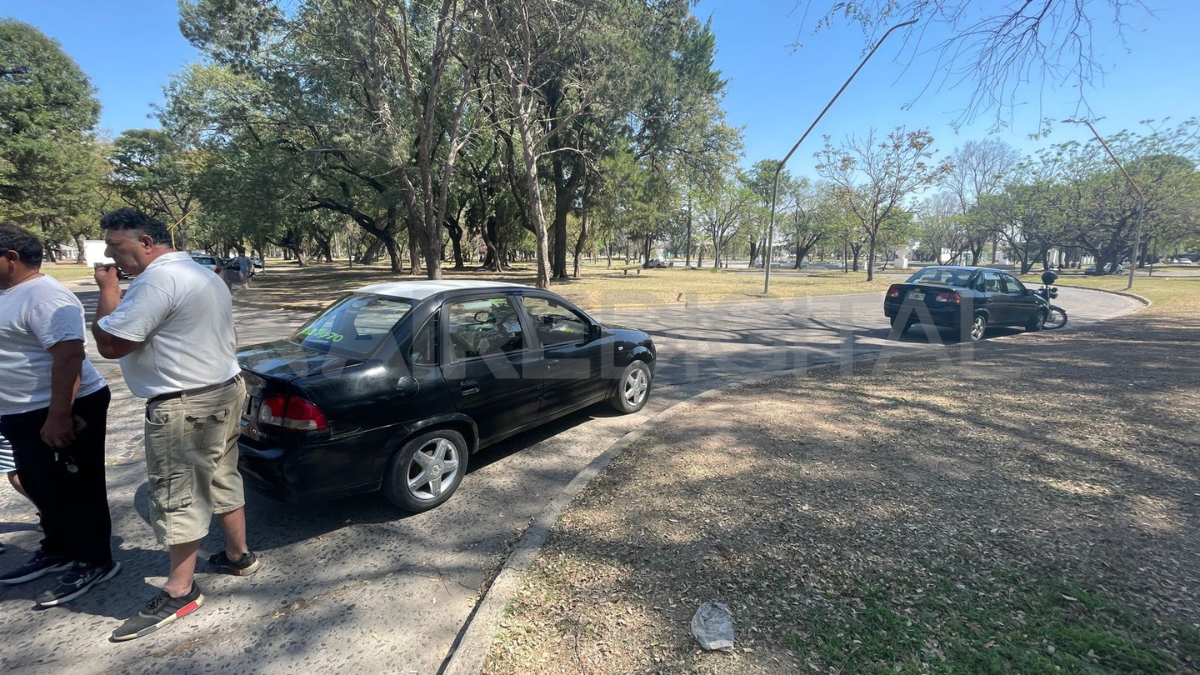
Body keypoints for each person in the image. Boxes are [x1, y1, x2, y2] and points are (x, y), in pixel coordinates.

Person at [91, 208, 260, 642]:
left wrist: (108, 289)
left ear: (146, 242)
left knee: (177, 493)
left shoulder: (156, 280)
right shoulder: (201, 272)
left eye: (117, 247)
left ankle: (180, 590)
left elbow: (110, 343)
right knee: (222, 474)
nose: (112, 257)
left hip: (186, 403)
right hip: (224, 388)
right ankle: (239, 555)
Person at [0, 223, 119, 606]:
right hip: (20, 410)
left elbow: (69, 357)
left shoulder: (46, 297)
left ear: (11, 258)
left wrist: (59, 416)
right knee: (39, 484)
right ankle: (59, 547)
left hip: (61, 408)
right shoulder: (10, 293)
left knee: (76, 487)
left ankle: (94, 560)